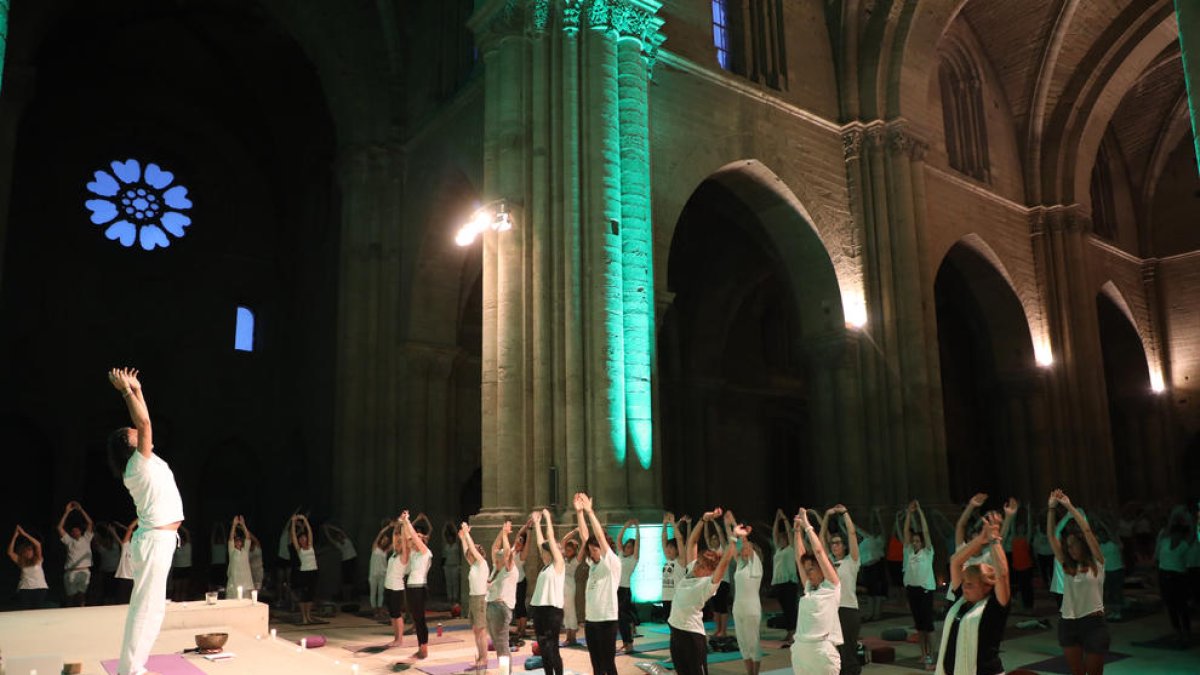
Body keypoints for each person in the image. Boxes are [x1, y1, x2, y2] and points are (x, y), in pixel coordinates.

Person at [106, 367, 185, 675]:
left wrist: (138, 390)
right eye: (133, 434)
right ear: (130, 447)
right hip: (154, 541)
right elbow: (145, 421)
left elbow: (144, 421)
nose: (138, 433)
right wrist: (126, 392)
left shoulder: (146, 462)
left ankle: (135, 665)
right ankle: (130, 669)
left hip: (159, 541)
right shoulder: (137, 466)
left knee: (153, 608)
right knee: (145, 607)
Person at [935, 511, 1011, 675]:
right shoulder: (960, 601)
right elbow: (955, 562)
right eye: (964, 583)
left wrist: (994, 540)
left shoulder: (994, 606)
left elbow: (1003, 574)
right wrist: (980, 539)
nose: (964, 587)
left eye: (970, 584)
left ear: (986, 587)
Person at [668, 508, 740, 675]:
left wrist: (734, 537)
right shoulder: (691, 571)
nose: (697, 566)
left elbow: (724, 562)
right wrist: (703, 520)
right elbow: (692, 542)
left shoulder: (708, 584)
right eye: (698, 562)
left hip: (692, 636)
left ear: (709, 572)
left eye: (702, 566)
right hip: (675, 632)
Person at [1048, 489, 1110, 674]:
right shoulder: (1067, 567)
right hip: (1068, 622)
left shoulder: (1097, 564)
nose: (1071, 549)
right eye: (1068, 546)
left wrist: (1069, 506)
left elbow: (1087, 529)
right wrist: (1051, 509)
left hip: (1093, 623)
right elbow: (1052, 536)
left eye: (1075, 544)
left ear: (1083, 544)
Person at [791, 508, 843, 675]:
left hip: (822, 651)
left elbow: (820, 552)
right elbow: (799, 558)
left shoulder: (832, 587)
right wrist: (797, 530)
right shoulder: (809, 589)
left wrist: (807, 526)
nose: (807, 573)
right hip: (801, 651)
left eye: (811, 569)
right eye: (806, 570)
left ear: (822, 569)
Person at [575, 492, 621, 675]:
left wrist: (590, 512)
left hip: (607, 621)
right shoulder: (593, 564)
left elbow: (599, 538)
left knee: (608, 664)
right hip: (591, 621)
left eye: (595, 550)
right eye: (591, 550)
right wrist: (579, 513)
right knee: (596, 665)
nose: (592, 552)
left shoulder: (611, 563)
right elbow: (585, 538)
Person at [820, 505, 861, 675]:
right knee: (834, 650)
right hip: (832, 610)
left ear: (844, 546)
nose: (834, 546)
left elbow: (852, 534)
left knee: (848, 651)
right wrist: (826, 516)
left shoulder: (851, 561)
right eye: (833, 544)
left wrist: (845, 514)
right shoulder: (829, 561)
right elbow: (820, 539)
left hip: (848, 609)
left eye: (838, 543)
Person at [530, 509, 567, 675]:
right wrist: (537, 523)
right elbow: (541, 544)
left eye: (549, 550)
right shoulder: (546, 566)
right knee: (543, 649)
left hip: (553, 611)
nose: (544, 553)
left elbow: (550, 538)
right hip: (539, 609)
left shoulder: (559, 564)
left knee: (552, 648)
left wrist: (547, 518)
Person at [728, 511, 763, 675]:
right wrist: (730, 523)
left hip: (751, 609)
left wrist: (741, 534)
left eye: (748, 549)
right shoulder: (741, 565)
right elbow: (734, 546)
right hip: (738, 609)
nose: (744, 551)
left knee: (753, 643)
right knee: (742, 644)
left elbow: (744, 543)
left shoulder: (756, 565)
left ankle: (755, 673)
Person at [903, 500, 936, 668]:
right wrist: (909, 513)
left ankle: (931, 654)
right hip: (912, 590)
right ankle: (924, 654)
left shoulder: (927, 552)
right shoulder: (909, 552)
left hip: (925, 590)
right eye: (914, 541)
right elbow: (905, 532)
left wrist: (920, 511)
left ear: (922, 543)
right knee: (919, 627)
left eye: (918, 541)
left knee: (927, 626)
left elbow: (926, 531)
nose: (915, 543)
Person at [1154, 504, 1193, 647]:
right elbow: (1168, 529)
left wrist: (1188, 519)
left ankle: (1186, 632)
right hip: (1165, 576)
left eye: (1178, 534)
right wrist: (1174, 516)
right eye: (1173, 533)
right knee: (1170, 606)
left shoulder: (1184, 545)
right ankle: (1177, 631)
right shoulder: (1165, 541)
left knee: (1181, 606)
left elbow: (1192, 533)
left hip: (1179, 578)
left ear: (1181, 535)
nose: (1174, 536)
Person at [400, 511, 434, 659]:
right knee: (416, 619)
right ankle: (421, 646)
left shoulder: (426, 552)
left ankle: (424, 648)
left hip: (420, 588)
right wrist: (403, 524)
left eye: (419, 538)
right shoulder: (413, 554)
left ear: (423, 541)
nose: (414, 540)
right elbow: (406, 539)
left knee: (420, 620)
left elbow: (413, 536)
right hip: (412, 587)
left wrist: (407, 521)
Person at [486, 520, 519, 666]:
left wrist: (505, 535)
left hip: (501, 608)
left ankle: (507, 672)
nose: (496, 558)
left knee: (502, 645)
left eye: (499, 557)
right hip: (492, 607)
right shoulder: (496, 569)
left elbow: (506, 552)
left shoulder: (509, 569)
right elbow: (494, 547)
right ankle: (504, 670)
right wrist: (502, 531)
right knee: (499, 646)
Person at [459, 522, 491, 672]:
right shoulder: (474, 566)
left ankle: (484, 658)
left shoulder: (482, 563)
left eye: (472, 554)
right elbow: (467, 550)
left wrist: (467, 534)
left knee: (481, 630)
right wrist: (463, 539)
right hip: (473, 598)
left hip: (479, 599)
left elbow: (471, 549)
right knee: (475, 629)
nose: (469, 557)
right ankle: (479, 657)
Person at [57, 500, 95, 607]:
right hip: (71, 572)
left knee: (81, 596)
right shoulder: (69, 541)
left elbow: (90, 523)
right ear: (71, 533)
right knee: (70, 597)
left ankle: (81, 616)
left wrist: (81, 510)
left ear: (80, 531)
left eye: (77, 530)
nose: (75, 532)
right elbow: (59, 528)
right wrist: (67, 512)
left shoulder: (86, 538)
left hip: (84, 571)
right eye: (73, 531)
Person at [771, 508, 799, 646]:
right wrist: (776, 520)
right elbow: (774, 534)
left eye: (783, 539)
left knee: (790, 608)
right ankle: (789, 631)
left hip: (789, 582)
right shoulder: (778, 549)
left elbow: (790, 532)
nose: (781, 540)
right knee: (784, 608)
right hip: (779, 582)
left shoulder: (791, 549)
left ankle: (793, 632)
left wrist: (785, 519)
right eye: (780, 539)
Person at [383, 515, 410, 648]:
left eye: (400, 543)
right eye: (397, 543)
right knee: (392, 614)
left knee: (397, 614)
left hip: (397, 589)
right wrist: (397, 525)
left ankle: (399, 639)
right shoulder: (394, 554)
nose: (397, 544)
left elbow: (403, 541)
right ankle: (395, 638)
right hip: (388, 587)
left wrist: (404, 524)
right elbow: (395, 536)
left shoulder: (404, 556)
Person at [857, 507, 888, 622]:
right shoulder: (867, 540)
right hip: (868, 567)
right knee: (870, 592)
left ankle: (877, 613)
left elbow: (882, 527)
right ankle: (870, 613)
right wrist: (873, 514)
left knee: (877, 591)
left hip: (877, 566)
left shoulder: (880, 539)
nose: (874, 529)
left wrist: (878, 516)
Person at [8, 524, 48, 609]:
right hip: (25, 589)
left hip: (39, 588)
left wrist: (24, 533)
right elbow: (10, 553)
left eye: (30, 550)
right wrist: (15, 536)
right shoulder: (21, 561)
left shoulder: (38, 559)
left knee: (37, 611)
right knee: (25, 612)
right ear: (23, 553)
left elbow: (38, 545)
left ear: (33, 552)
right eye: (26, 551)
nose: (28, 552)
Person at [705, 514, 732, 638]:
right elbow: (705, 536)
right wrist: (705, 522)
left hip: (724, 581)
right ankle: (718, 629)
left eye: (716, 539)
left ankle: (724, 630)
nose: (714, 540)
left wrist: (714, 521)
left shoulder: (723, 549)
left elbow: (721, 533)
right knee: (715, 607)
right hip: (713, 582)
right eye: (713, 539)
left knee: (722, 607)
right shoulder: (710, 550)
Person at [617, 517, 641, 654]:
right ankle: (625, 643)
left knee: (623, 618)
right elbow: (619, 539)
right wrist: (625, 526)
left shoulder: (633, 559)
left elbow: (638, 545)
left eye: (631, 547)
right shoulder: (620, 554)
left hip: (625, 590)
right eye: (627, 546)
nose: (628, 548)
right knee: (620, 619)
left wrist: (636, 528)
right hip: (617, 589)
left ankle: (629, 644)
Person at [290, 514, 318, 624]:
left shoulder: (310, 546)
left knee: (311, 595)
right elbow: (293, 535)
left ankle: (308, 615)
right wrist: (293, 522)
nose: (303, 539)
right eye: (301, 538)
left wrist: (305, 519)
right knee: (303, 596)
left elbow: (310, 531)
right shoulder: (299, 549)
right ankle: (304, 617)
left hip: (313, 571)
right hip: (304, 572)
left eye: (304, 537)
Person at [1094, 516, 1124, 621]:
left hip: (1117, 571)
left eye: (1103, 534)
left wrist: (1102, 521)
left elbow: (1111, 531)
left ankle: (1118, 612)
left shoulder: (1114, 543)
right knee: (1109, 592)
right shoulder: (1100, 546)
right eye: (1099, 535)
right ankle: (1112, 611)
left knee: (1116, 592)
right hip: (1106, 572)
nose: (1102, 537)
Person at [323, 522, 359, 602]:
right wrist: (326, 530)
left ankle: (350, 596)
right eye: (338, 537)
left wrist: (330, 526)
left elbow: (340, 531)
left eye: (340, 536)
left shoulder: (347, 540)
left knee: (352, 579)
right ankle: (346, 597)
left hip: (352, 560)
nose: (340, 538)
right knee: (346, 580)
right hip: (345, 562)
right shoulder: (338, 544)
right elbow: (330, 539)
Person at [661, 512, 686, 620]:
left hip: (677, 598)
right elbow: (663, 540)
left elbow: (679, 539)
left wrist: (672, 523)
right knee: (670, 625)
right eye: (668, 548)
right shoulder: (667, 560)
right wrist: (665, 524)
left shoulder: (680, 561)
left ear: (677, 550)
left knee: (679, 625)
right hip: (666, 597)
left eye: (671, 548)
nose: (668, 550)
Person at [561, 527, 583, 646]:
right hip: (561, 586)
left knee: (571, 610)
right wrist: (574, 532)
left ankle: (572, 637)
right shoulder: (562, 558)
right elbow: (563, 540)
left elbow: (582, 550)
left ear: (574, 551)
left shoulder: (576, 560)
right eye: (567, 549)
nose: (567, 551)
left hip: (569, 586)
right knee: (565, 611)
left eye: (570, 550)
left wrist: (582, 539)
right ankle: (568, 636)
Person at [512, 520, 533, 643]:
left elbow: (528, 542)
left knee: (520, 605)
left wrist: (529, 532)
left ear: (523, 545)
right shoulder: (514, 549)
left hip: (520, 581)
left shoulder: (522, 555)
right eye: (517, 541)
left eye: (520, 542)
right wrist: (526, 525)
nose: (517, 542)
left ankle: (523, 629)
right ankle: (519, 627)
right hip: (513, 582)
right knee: (516, 605)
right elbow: (519, 534)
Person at [369, 521, 393, 621]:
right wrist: (388, 527)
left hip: (383, 574)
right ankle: (375, 611)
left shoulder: (385, 551)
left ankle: (380, 610)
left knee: (381, 593)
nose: (385, 541)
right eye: (384, 539)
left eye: (386, 541)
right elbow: (380, 534)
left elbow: (395, 542)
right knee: (373, 592)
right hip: (373, 574)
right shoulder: (375, 547)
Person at [226, 516, 255, 598]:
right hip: (234, 584)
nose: (238, 541)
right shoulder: (232, 551)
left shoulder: (245, 550)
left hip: (246, 583)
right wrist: (234, 525)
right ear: (234, 543)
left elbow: (248, 537)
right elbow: (230, 538)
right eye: (236, 540)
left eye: (239, 540)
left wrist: (243, 524)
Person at [113, 519, 138, 604]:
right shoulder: (126, 546)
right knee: (121, 602)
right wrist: (140, 516)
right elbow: (130, 528)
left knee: (133, 603)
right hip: (124, 578)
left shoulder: (142, 550)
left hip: (136, 579)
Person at [168, 526, 192, 601]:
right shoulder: (175, 548)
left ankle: (182, 604)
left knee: (184, 589)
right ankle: (176, 604)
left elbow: (187, 533)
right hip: (178, 569)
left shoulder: (188, 546)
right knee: (177, 589)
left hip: (186, 568)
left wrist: (179, 526)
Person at [442, 522, 462, 606]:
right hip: (447, 566)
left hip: (455, 565)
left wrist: (453, 526)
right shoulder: (445, 545)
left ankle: (455, 598)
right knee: (448, 583)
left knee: (455, 583)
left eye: (451, 537)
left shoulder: (456, 544)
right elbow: (443, 536)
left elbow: (457, 535)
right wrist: (445, 526)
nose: (449, 539)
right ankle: (449, 598)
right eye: (448, 538)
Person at [209, 522, 227, 592]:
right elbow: (212, 538)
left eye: (220, 539)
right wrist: (215, 528)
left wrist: (222, 527)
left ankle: (222, 593)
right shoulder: (214, 546)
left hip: (222, 565)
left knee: (222, 582)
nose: (219, 540)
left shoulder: (224, 546)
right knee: (214, 582)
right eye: (218, 539)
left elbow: (225, 537)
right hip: (215, 565)